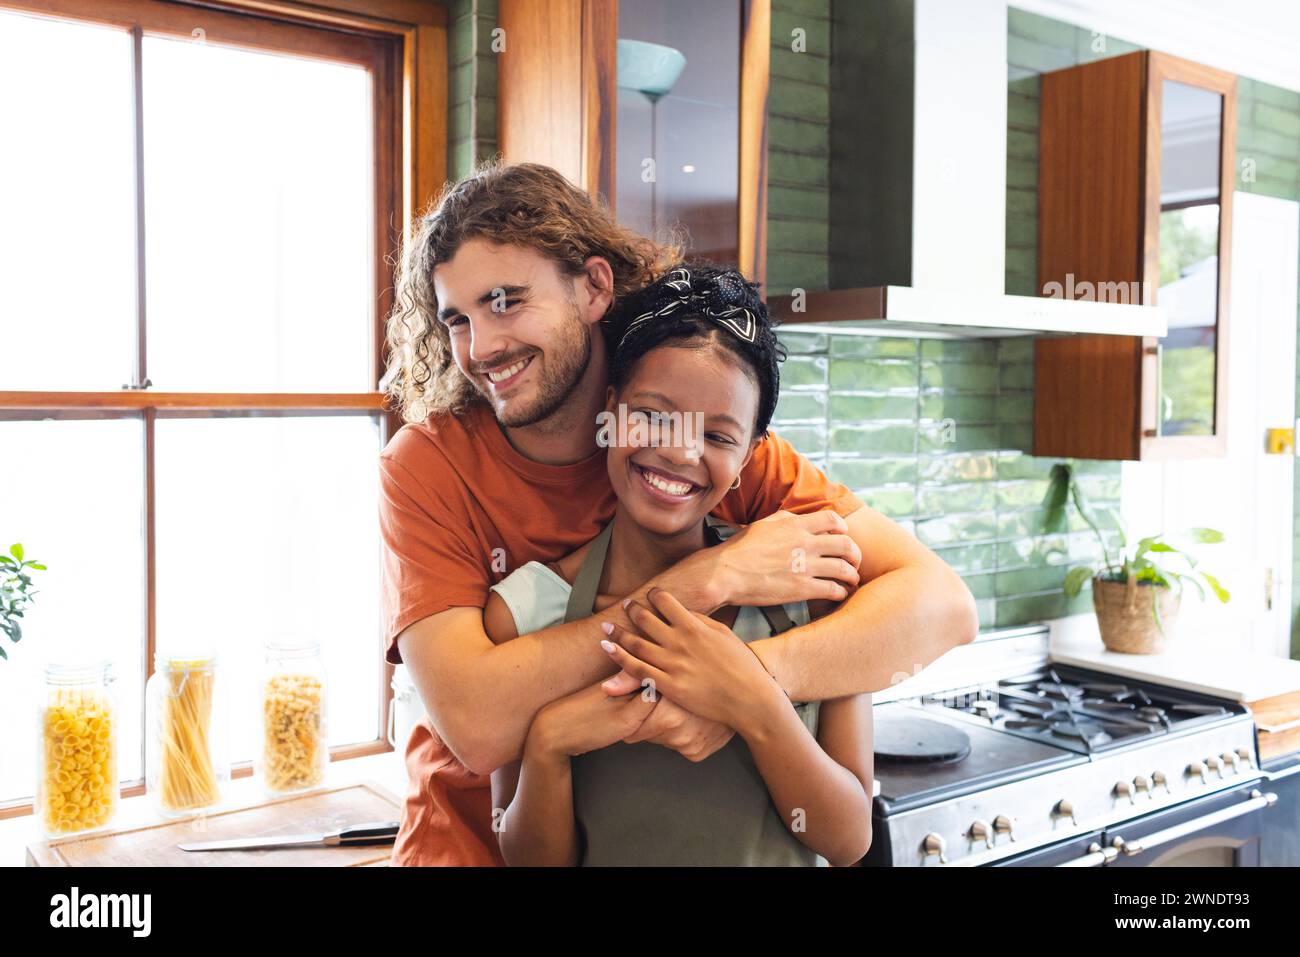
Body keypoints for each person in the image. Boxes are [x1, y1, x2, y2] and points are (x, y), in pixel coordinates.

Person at [380, 162, 976, 866]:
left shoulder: (701, 438)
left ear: (595, 286)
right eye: (458, 319)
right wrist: (707, 580)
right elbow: (478, 728)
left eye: (506, 301)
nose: (481, 348)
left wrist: (736, 686)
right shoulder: (427, 465)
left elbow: (942, 607)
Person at [486, 265, 874, 865]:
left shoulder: (816, 594)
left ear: (749, 458)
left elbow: (848, 840)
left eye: (719, 438)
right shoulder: (525, 612)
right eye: (654, 415)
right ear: (611, 411)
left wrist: (754, 701)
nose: (679, 451)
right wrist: (548, 744)